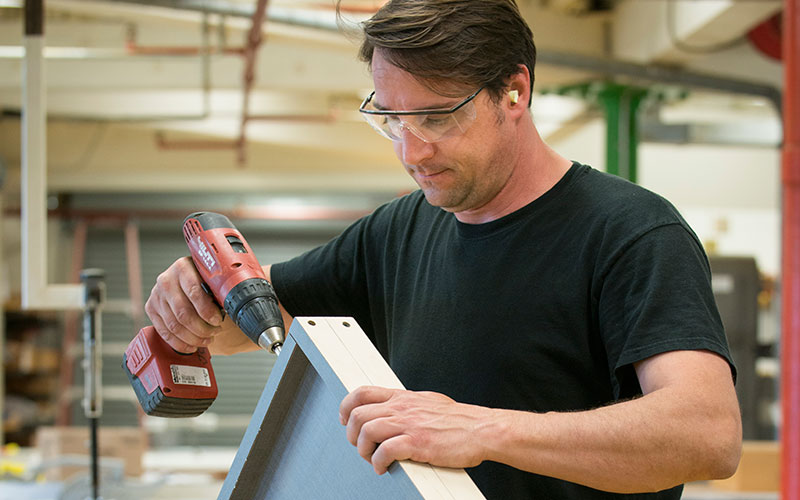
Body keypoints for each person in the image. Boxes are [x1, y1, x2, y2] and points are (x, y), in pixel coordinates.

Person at [144, 1, 742, 498]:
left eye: (435, 117)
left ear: (514, 91)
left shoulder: (631, 233)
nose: (412, 152)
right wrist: (195, 296)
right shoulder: (396, 233)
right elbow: (243, 323)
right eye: (392, 120)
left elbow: (707, 433)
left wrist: (484, 429)